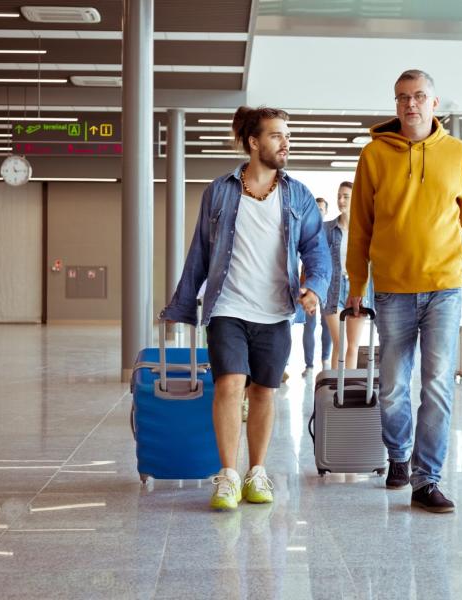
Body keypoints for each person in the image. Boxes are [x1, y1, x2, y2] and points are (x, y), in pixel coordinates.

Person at [161, 106, 330, 511]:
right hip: (228, 306)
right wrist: (182, 305)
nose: (285, 143)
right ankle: (228, 475)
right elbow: (199, 253)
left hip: (274, 312)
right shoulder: (220, 191)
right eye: (276, 135)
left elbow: (317, 252)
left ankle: (256, 471)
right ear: (254, 143)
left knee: (263, 392)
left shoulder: (299, 195)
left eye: (286, 135)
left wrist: (314, 288)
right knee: (229, 385)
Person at [346, 69, 462, 513]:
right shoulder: (374, 155)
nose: (410, 104)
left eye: (418, 97)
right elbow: (360, 227)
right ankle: (397, 455)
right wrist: (357, 283)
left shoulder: (456, 153)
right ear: (395, 105)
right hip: (392, 289)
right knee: (393, 386)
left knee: (436, 385)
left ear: (435, 104)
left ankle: (426, 479)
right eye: (402, 98)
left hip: (444, 289)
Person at [323, 182, 373, 369]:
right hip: (333, 289)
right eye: (339, 196)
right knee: (340, 343)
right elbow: (319, 258)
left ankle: (348, 390)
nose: (341, 200)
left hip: (358, 288)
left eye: (346, 196)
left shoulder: (368, 230)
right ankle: (336, 390)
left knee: (353, 346)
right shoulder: (326, 229)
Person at [301, 197, 333, 376]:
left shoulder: (330, 230)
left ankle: (325, 360)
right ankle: (309, 365)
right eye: (316, 208)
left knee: (327, 325)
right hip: (308, 285)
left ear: (326, 211)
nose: (319, 211)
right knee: (309, 325)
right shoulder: (307, 229)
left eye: (322, 209)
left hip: (327, 286)